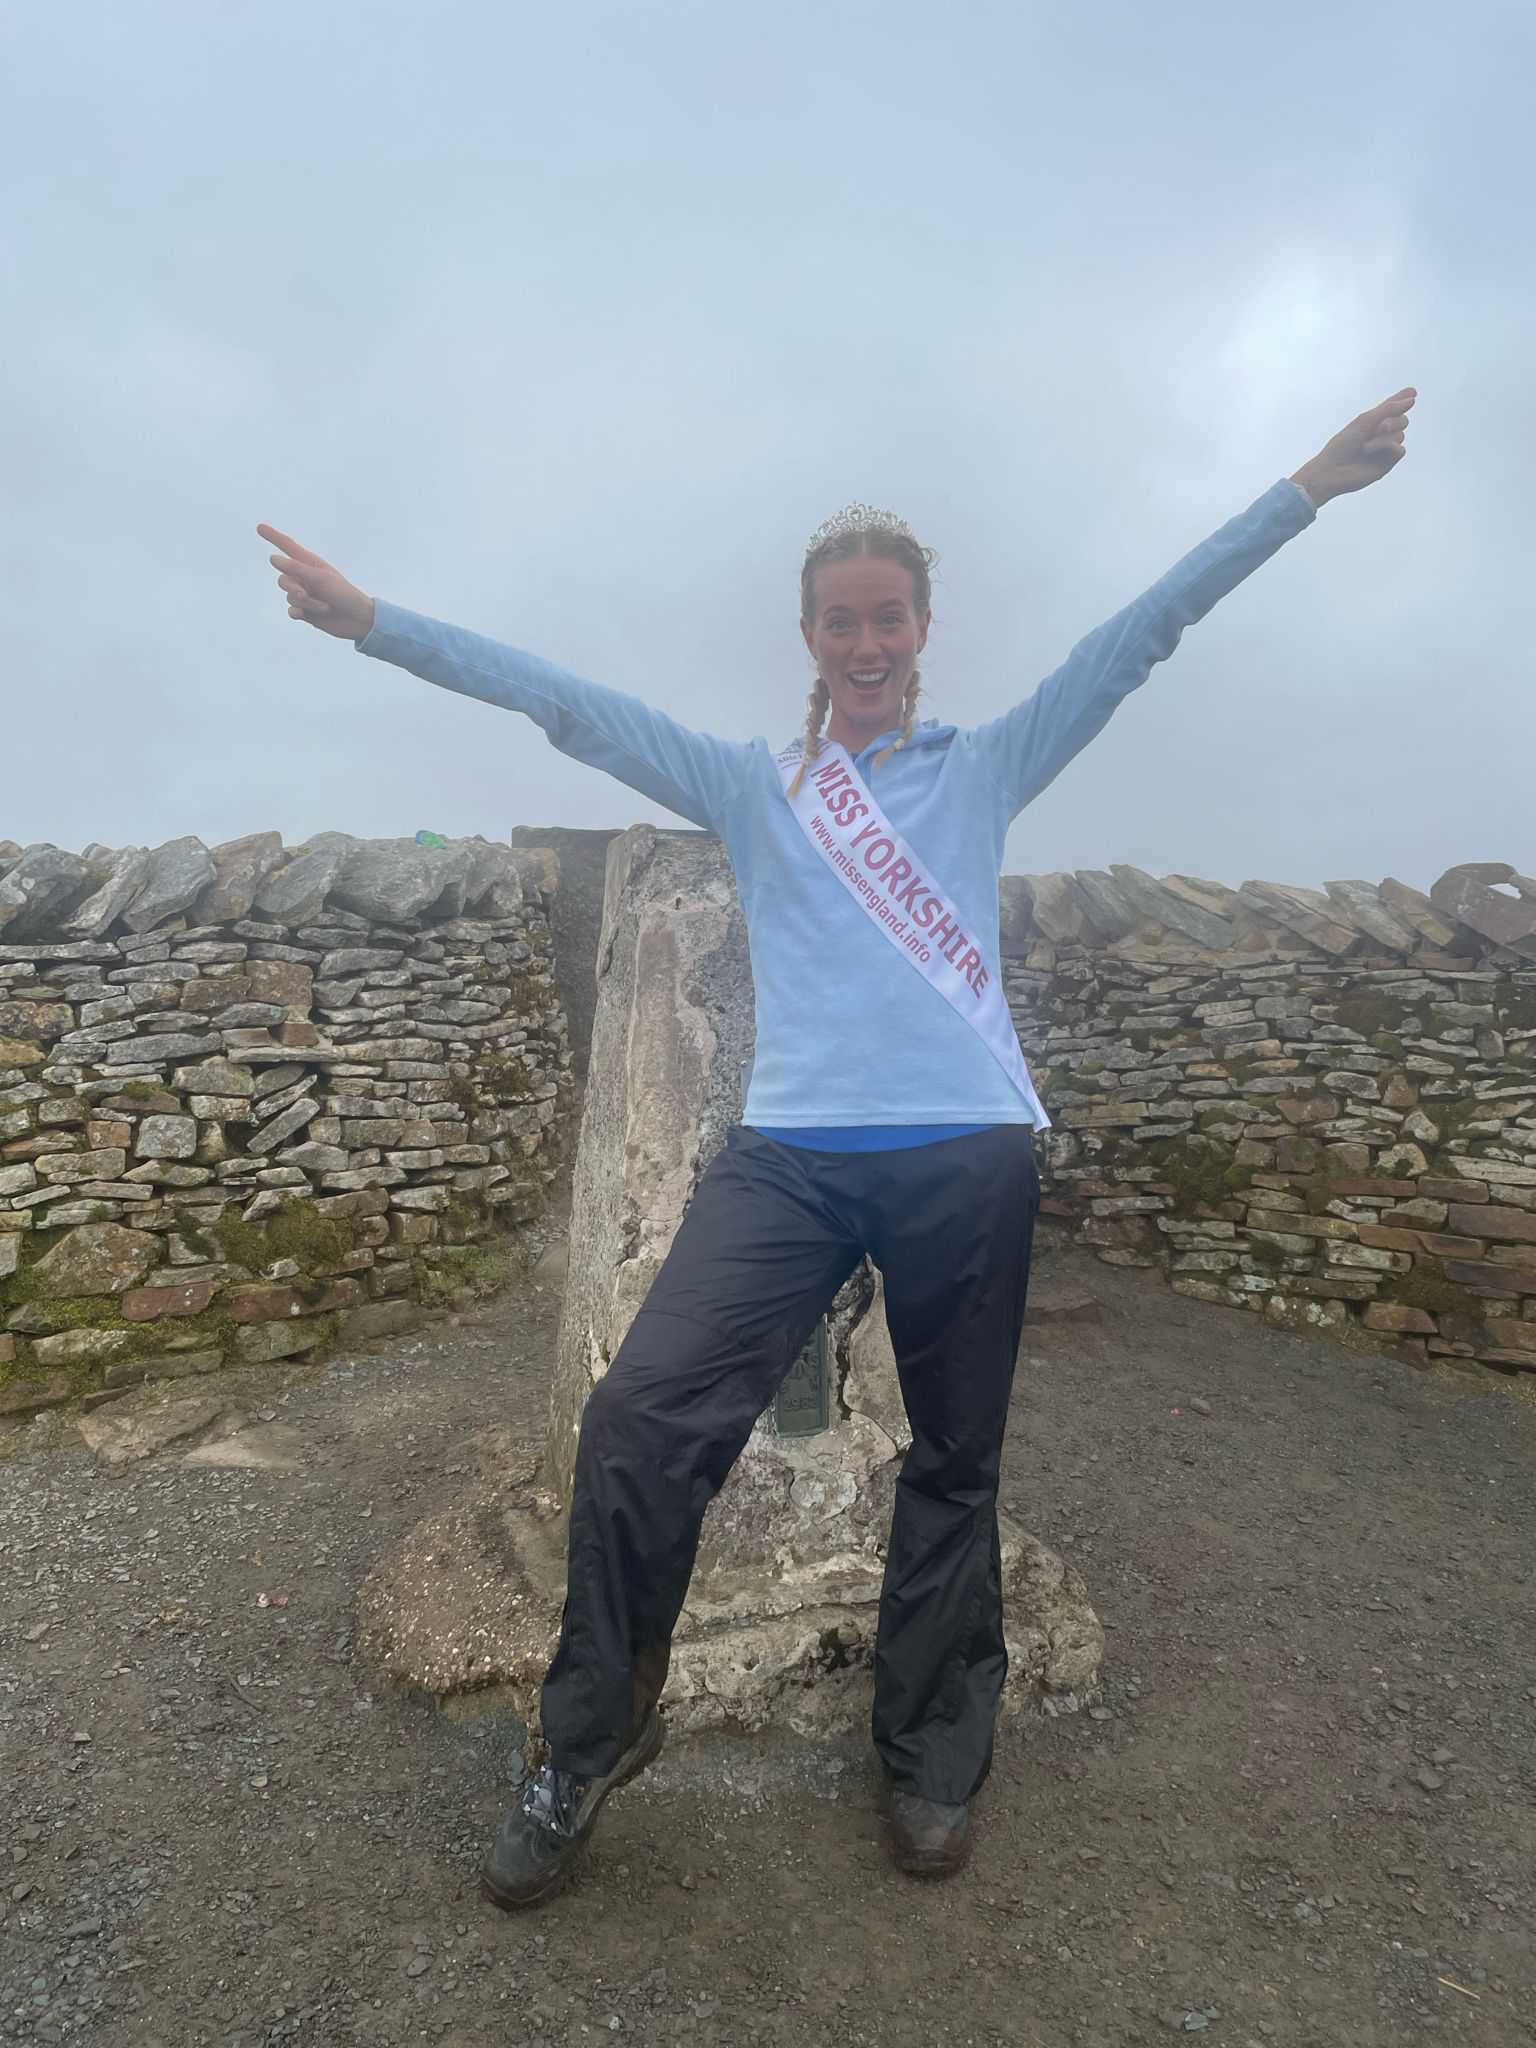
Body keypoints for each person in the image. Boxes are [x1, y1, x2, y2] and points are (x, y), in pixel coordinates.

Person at [258, 387, 1415, 1905]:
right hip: (792, 1158)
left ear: (923, 628)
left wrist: (1307, 489)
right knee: (642, 1424)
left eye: (889, 621)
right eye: (839, 625)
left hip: (968, 1156)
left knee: (953, 1460)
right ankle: (592, 1738)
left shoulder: (986, 765)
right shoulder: (759, 787)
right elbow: (573, 708)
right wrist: (376, 626)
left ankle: (933, 1746)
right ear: (809, 639)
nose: (866, 648)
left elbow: (1145, 629)